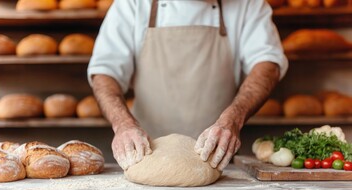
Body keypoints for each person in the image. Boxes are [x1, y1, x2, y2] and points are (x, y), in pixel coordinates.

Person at [88, 0, 288, 171]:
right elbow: (105, 72)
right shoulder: (133, 4)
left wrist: (233, 119)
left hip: (217, 158)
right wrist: (123, 124)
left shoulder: (247, 4)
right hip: (144, 154)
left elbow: (267, 65)